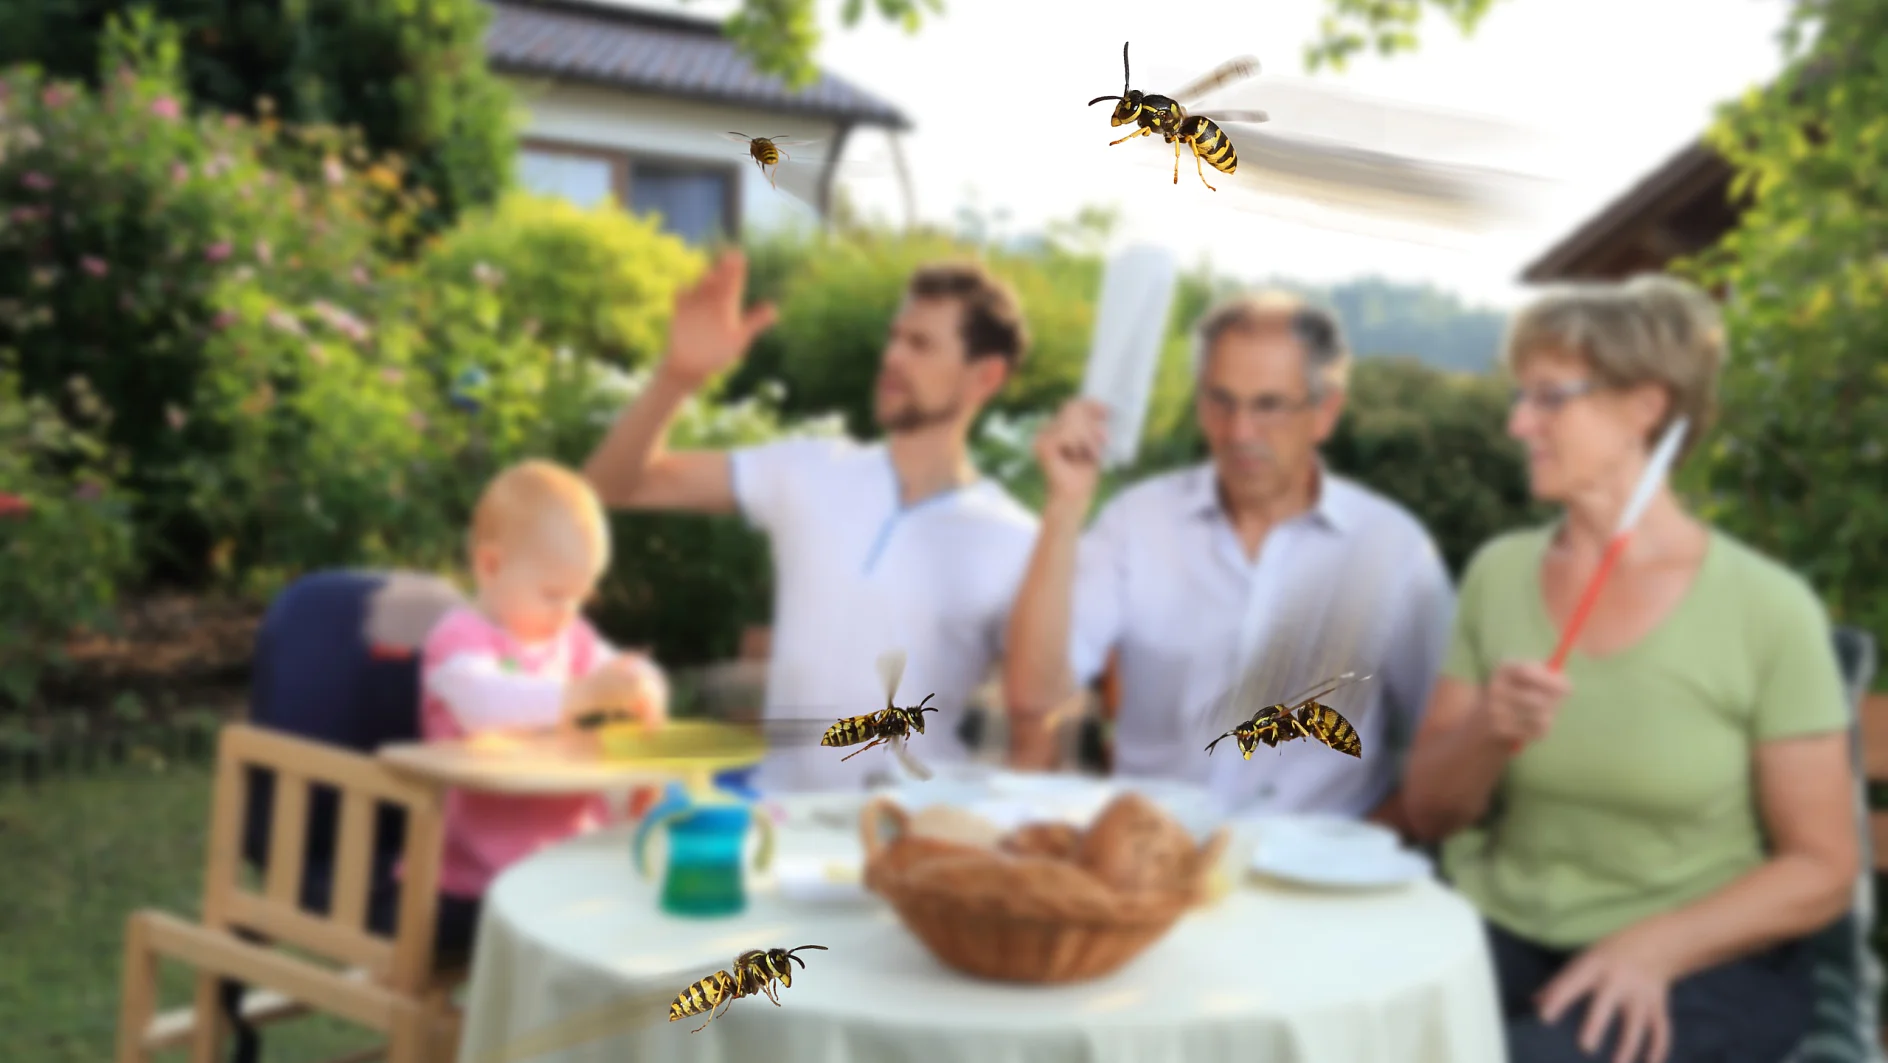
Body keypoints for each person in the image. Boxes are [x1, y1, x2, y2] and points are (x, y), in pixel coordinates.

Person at [1401, 275, 1859, 1063]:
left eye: (1549, 399)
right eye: (1520, 397)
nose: (1517, 424)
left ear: (1644, 407)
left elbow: (1822, 867)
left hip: (1706, 958)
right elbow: (1430, 812)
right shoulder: (1499, 574)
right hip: (1502, 926)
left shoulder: (1768, 609)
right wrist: (1487, 731)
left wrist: (1656, 947)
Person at [582, 252, 1040, 793]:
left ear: (983, 377)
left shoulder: (1019, 540)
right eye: (894, 337)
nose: (892, 356)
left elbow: (1041, 714)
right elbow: (614, 486)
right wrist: (676, 378)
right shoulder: (812, 471)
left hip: (912, 830)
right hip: (779, 813)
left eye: (921, 344)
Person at [1004, 291, 1453, 827]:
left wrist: (1359, 851)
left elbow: (1443, 743)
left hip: (1317, 883)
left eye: (1268, 405)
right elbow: (1034, 695)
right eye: (1221, 401)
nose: (1240, 431)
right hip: (1155, 864)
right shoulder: (1137, 524)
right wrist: (1066, 504)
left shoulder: (1393, 551)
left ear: (1324, 412)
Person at [417, 459, 669, 957]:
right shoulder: (459, 642)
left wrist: (640, 688)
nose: (567, 612)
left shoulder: (569, 641)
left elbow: (618, 674)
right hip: (473, 875)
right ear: (491, 567)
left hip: (568, 862)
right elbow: (483, 706)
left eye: (579, 596)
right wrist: (577, 696)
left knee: (650, 913)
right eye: (553, 594)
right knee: (602, 935)